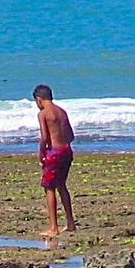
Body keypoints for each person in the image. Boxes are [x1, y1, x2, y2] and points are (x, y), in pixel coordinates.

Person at [33, 84, 76, 237]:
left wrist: (41, 153)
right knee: (61, 185)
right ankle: (70, 222)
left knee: (49, 187)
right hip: (66, 150)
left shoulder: (44, 114)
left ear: (39, 100)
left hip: (54, 153)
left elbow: (44, 137)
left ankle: (53, 227)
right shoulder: (62, 112)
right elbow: (71, 136)